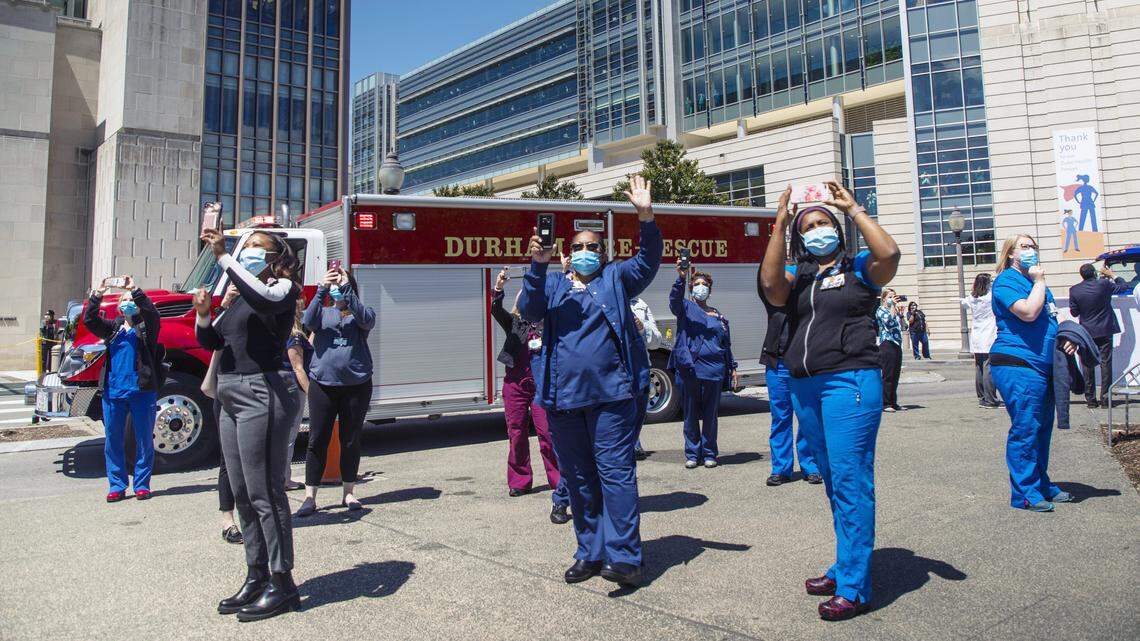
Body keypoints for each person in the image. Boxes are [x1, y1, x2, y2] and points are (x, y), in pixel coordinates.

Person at [759, 181, 900, 621]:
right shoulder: (800, 276)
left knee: (852, 480)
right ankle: (844, 566)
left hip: (850, 383)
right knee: (835, 484)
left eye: (823, 224)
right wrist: (781, 222)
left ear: (836, 230)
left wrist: (853, 209)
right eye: (809, 226)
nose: (817, 230)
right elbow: (769, 284)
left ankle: (856, 587)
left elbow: (890, 255)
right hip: (806, 386)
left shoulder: (859, 268)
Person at [517, 174, 661, 587]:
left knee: (615, 474)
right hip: (562, 402)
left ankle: (626, 558)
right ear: (567, 251)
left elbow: (648, 260)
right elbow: (528, 308)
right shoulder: (553, 285)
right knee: (578, 479)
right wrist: (537, 263)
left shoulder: (616, 279)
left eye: (591, 247)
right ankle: (590, 552)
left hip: (612, 398)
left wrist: (646, 215)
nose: (584, 253)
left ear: (604, 251)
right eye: (577, 247)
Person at [194, 228, 303, 621]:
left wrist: (224, 257)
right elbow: (213, 342)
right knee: (240, 491)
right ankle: (256, 574)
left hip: (263, 391)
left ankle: (282, 582)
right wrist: (205, 313)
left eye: (257, 246)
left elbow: (264, 299)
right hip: (229, 392)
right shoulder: (239, 296)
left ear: (276, 255)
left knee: (265, 491)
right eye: (247, 246)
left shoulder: (281, 288)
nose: (248, 251)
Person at [989, 234, 1077, 513]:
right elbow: (1027, 312)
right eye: (1024, 247)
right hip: (1017, 363)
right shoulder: (1006, 282)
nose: (1031, 251)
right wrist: (1039, 281)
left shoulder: (1038, 284)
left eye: (1033, 246)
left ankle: (1040, 483)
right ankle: (1024, 492)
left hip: (1043, 366)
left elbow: (1052, 314)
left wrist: (1066, 334)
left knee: (1041, 428)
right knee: (1026, 428)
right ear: (1010, 253)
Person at [490, 267, 570, 525]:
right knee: (516, 432)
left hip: (540, 384)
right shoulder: (515, 324)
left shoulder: (549, 325)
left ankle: (558, 482)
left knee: (547, 435)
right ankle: (520, 482)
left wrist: (565, 272)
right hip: (515, 383)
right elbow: (495, 310)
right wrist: (499, 289)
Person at [297, 267, 376, 516]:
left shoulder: (361, 313)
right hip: (323, 385)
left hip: (356, 385)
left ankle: (349, 492)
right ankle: (310, 497)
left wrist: (346, 289)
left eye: (340, 281)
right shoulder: (323, 312)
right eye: (334, 283)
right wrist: (322, 289)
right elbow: (307, 322)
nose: (336, 287)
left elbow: (366, 320)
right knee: (317, 439)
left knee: (350, 439)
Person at [83, 276, 163, 503]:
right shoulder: (112, 328)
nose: (128, 302)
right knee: (113, 440)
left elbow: (152, 313)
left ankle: (142, 484)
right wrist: (97, 294)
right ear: (118, 306)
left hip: (142, 391)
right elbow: (89, 320)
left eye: (132, 300)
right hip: (113, 392)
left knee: (144, 439)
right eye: (124, 299)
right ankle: (117, 485)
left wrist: (134, 289)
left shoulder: (146, 327)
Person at [756, 262, 821, 487]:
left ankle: (810, 466)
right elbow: (763, 280)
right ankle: (781, 469)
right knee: (780, 418)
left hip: (803, 366)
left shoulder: (807, 301)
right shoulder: (773, 302)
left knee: (807, 418)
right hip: (778, 365)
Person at [668, 265, 738, 469]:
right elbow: (674, 301)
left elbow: (726, 344)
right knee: (690, 414)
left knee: (710, 415)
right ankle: (692, 453)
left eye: (704, 285)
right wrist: (681, 278)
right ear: (691, 289)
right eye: (697, 284)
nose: (701, 288)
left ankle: (709, 453)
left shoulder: (718, 315)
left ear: (710, 289)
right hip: (691, 370)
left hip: (715, 370)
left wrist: (732, 367)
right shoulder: (686, 308)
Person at [1068, 263, 1128, 408]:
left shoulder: (1074, 290)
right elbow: (1123, 286)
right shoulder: (1104, 284)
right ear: (1094, 273)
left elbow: (1074, 312)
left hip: (1087, 331)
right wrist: (1111, 274)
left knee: (1087, 364)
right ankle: (1105, 398)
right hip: (1105, 329)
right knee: (1106, 363)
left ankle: (1091, 400)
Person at [212, 284, 243, 543]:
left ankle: (256, 517)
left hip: (255, 391)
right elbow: (210, 337)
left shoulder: (261, 309)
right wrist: (225, 305)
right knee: (227, 460)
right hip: (226, 391)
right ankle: (227, 520)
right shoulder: (226, 315)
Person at [283, 299, 312, 490]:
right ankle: (284, 479)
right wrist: (312, 394)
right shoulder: (294, 336)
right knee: (289, 437)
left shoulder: (286, 333)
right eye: (300, 307)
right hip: (293, 389)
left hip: (284, 388)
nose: (303, 309)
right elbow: (298, 368)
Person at [629, 296, 662, 460]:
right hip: (616, 368)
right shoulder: (604, 296)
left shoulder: (640, 304)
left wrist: (643, 329)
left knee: (639, 410)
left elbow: (656, 341)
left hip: (640, 366)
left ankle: (634, 442)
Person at [961, 274, 1000, 408]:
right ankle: (991, 399)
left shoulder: (972, 298)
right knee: (989, 367)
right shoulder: (991, 297)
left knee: (979, 367)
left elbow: (964, 303)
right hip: (989, 333)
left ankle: (982, 397)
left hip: (977, 334)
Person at [875, 288, 905, 413]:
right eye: (890, 297)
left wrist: (901, 314)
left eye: (894, 296)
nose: (893, 299)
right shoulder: (880, 310)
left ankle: (893, 402)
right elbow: (889, 322)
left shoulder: (894, 310)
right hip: (887, 343)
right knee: (888, 374)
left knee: (895, 374)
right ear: (884, 299)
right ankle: (885, 403)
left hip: (897, 343)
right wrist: (892, 307)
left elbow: (903, 326)